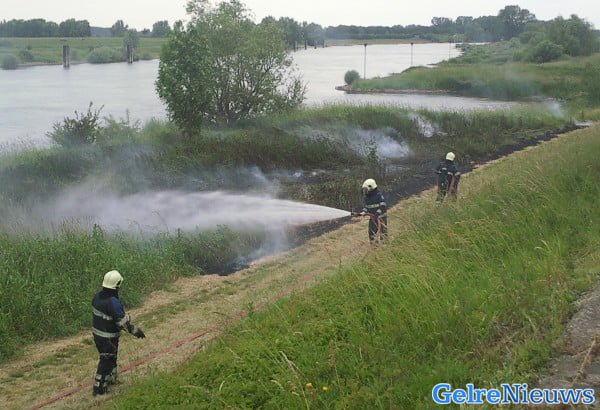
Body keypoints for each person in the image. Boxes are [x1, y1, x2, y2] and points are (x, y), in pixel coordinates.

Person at [92, 270, 145, 396]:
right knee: (107, 359)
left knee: (112, 356)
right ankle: (99, 389)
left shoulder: (97, 297)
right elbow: (122, 323)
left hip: (98, 334)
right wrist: (136, 331)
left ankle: (112, 378)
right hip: (107, 337)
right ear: (117, 285)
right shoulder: (113, 302)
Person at [359, 178, 387, 244]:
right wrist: (363, 212)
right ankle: (374, 246)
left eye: (366, 189)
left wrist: (377, 213)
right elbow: (366, 207)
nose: (365, 191)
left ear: (371, 188)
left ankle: (385, 246)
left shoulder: (379, 195)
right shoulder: (366, 198)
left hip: (381, 217)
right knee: (371, 233)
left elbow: (383, 206)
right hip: (373, 218)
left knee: (383, 233)